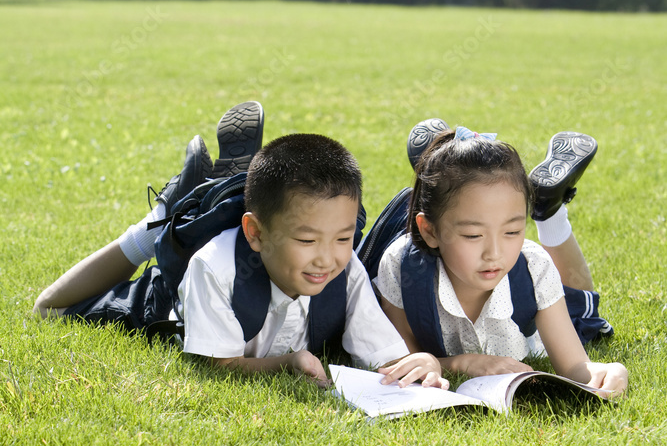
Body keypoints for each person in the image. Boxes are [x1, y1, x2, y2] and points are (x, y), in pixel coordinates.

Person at [33, 102, 445, 389]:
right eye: (306, 239)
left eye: (343, 237)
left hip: (262, 223)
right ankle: (162, 222)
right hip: (160, 300)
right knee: (48, 311)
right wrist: (287, 363)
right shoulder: (214, 267)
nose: (327, 257)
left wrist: (421, 364)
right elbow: (214, 365)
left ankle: (236, 182)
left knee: (298, 218)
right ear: (254, 234)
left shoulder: (344, 268)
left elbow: (385, 358)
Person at [374, 125, 628, 395]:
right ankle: (438, 165)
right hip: (428, 241)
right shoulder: (402, 266)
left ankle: (549, 210)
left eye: (512, 232)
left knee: (583, 313)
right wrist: (464, 363)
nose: (494, 253)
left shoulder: (533, 266)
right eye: (473, 235)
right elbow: (403, 359)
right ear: (430, 231)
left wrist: (609, 371)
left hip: (538, 313)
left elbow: (576, 365)